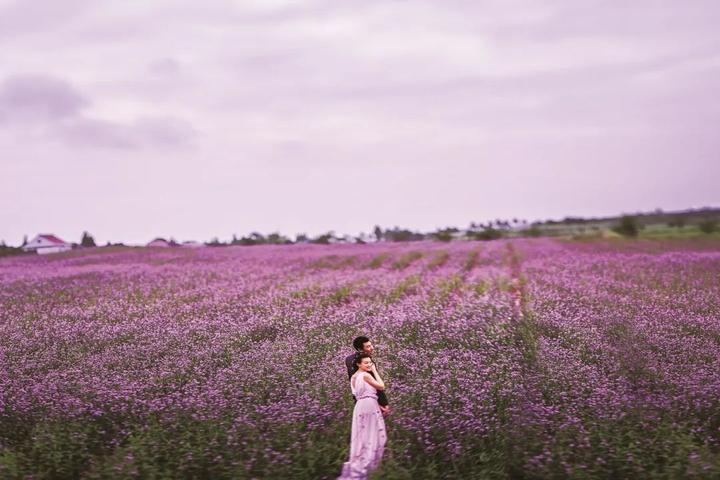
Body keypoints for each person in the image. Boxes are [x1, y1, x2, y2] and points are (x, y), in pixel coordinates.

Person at [337, 353, 387, 480]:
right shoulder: (365, 375)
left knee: (362, 438)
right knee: (373, 436)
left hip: (360, 406)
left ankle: (360, 465)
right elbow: (381, 386)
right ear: (359, 364)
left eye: (370, 362)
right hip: (369, 405)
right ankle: (368, 468)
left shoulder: (354, 376)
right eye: (366, 363)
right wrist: (375, 371)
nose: (369, 364)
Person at [345, 336, 391, 416]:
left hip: (359, 402)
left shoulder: (349, 359)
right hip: (370, 404)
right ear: (360, 349)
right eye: (368, 346)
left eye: (371, 345)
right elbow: (377, 386)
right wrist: (383, 404)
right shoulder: (366, 364)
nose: (372, 348)